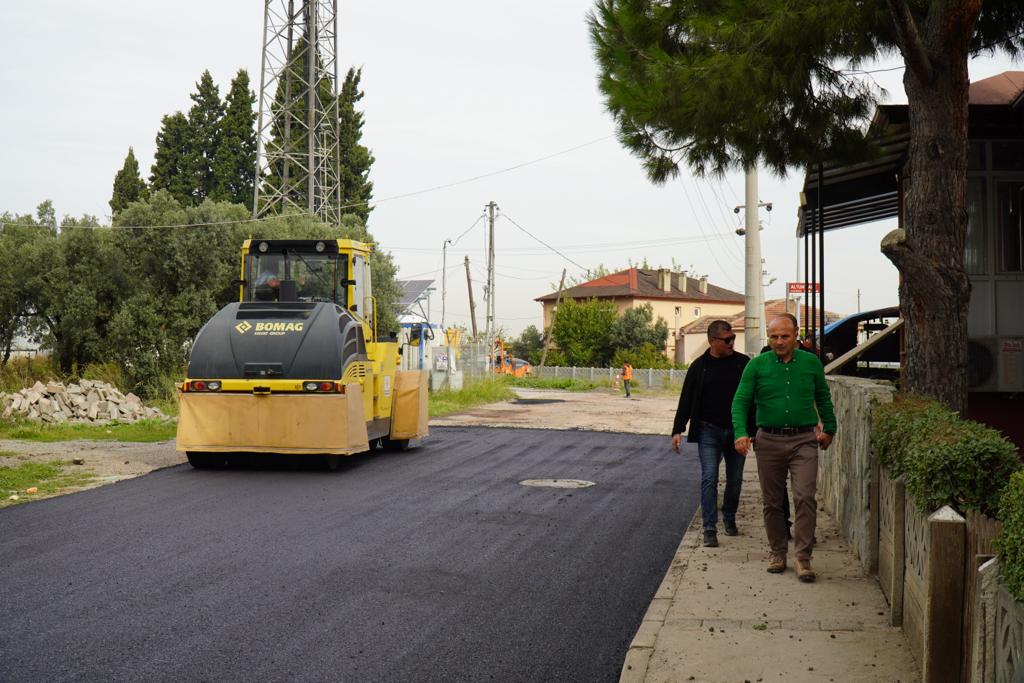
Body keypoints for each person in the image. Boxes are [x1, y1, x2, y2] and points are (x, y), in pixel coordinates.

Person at [732, 313, 837, 583]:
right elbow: (741, 401)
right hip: (768, 440)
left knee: (804, 497)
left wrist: (830, 428)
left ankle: (803, 557)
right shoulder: (757, 365)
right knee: (773, 501)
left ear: (796, 335)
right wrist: (741, 432)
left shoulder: (811, 363)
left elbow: (823, 397)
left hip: (804, 439)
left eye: (784, 336)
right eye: (774, 336)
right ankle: (778, 553)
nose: (778, 341)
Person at [671, 320, 756, 548]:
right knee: (709, 477)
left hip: (738, 433)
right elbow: (686, 399)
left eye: (733, 339)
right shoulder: (699, 366)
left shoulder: (743, 364)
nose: (731, 343)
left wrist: (753, 431)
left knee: (735, 479)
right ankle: (709, 528)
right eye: (727, 340)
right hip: (709, 430)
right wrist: (678, 429)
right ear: (712, 341)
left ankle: (729, 517)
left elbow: (753, 399)